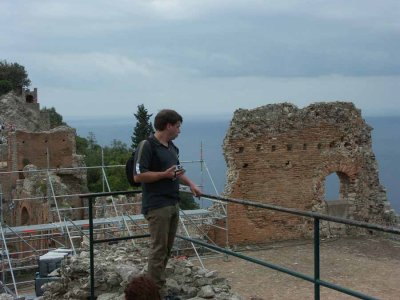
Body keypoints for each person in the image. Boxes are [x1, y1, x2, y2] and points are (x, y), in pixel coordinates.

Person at [133, 109, 201, 298]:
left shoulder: (171, 147)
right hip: (157, 205)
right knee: (158, 249)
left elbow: (177, 171)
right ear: (168, 125)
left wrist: (191, 184)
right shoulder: (147, 145)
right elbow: (138, 176)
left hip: (172, 203)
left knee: (167, 248)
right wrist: (164, 175)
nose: (180, 130)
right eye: (178, 126)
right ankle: (155, 293)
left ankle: (158, 288)